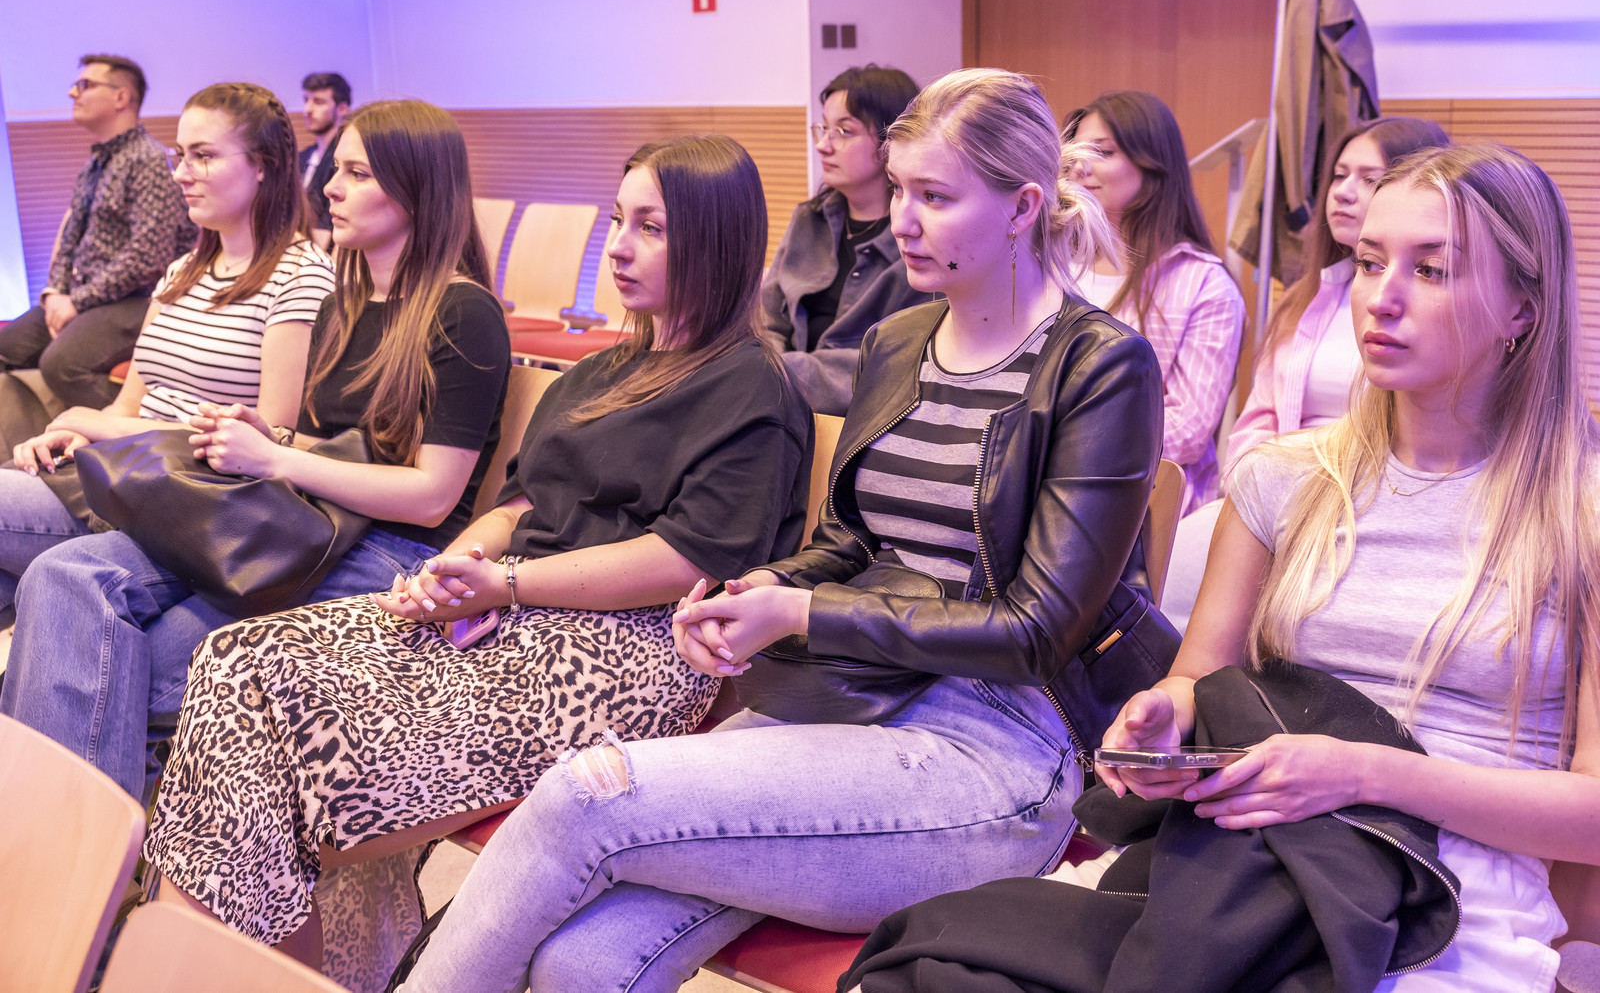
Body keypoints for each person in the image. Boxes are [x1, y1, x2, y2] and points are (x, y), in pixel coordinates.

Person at [396, 67, 1168, 993]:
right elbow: (852, 541)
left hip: (995, 749)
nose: (905, 221)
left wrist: (801, 614)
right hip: (847, 699)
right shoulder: (900, 341)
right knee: (582, 960)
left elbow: (1037, 631)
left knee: (583, 796)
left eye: (935, 197)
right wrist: (760, 589)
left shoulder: (1100, 366)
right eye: (901, 191)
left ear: (1022, 208)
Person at [847, 143, 1600, 993]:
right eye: (1368, 262)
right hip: (1246, 855)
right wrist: (1163, 721)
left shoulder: (1578, 513)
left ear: (1523, 309)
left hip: (1453, 889)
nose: (1382, 298)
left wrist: (1362, 772)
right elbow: (1199, 680)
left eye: (1432, 270)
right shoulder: (1286, 477)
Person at [140, 134, 813, 986]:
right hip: (514, 618)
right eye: (618, 220)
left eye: (652, 228)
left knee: (275, 726)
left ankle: (217, 969)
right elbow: (521, 504)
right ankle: (254, 970)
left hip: (624, 656)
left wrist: (508, 583)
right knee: (234, 657)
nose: (618, 246)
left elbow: (688, 559)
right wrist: (451, 571)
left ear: (715, 242)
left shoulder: (752, 387)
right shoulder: (602, 370)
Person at [0, 99, 511, 809]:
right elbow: (332, 442)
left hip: (386, 548)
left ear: (417, 190)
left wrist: (277, 458)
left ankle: (77, 847)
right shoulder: (347, 300)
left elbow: (431, 496)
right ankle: (56, 835)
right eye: (337, 169)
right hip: (303, 519)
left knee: (125, 661)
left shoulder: (464, 313)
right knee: (63, 576)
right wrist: (265, 438)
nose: (330, 187)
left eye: (357, 173)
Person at [0, 82, 333, 618]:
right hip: (127, 469)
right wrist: (82, 431)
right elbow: (128, 405)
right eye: (181, 155)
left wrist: (97, 424)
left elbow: (267, 442)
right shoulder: (183, 271)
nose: (181, 173)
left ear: (263, 165)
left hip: (190, 494)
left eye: (204, 156)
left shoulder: (300, 276)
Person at [1160, 116, 1449, 633]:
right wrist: (1260, 499)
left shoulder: (1422, 319)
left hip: (1363, 505)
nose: (1344, 192)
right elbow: (1256, 423)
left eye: (1369, 178)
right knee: (1174, 585)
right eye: (1338, 175)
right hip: (1280, 495)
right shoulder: (1302, 299)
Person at [1064, 91, 1246, 515]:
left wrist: (1067, 442)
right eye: (1075, 152)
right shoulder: (1050, 264)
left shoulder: (1203, 283)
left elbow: (1187, 432)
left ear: (1153, 164)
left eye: (1102, 152)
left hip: (1145, 508)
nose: (1080, 167)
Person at [0, 54, 196, 418]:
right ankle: (38, 437)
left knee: (63, 364)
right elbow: (70, 238)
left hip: (139, 301)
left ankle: (137, 433)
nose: (73, 92)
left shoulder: (150, 160)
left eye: (85, 85)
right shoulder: (96, 163)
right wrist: (55, 293)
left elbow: (148, 259)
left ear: (121, 97)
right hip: (88, 297)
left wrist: (77, 302)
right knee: (6, 348)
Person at [760, 64, 928, 415]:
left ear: (891, 142)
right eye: (823, 128)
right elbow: (767, 319)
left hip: (863, 420)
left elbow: (892, 364)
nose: (823, 145)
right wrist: (763, 368)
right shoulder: (809, 220)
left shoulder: (915, 241)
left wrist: (775, 375)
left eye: (844, 131)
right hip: (780, 406)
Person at [299, 72, 351, 249]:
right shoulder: (302, 157)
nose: (307, 109)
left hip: (329, 250)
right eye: (306, 100)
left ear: (342, 109)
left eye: (318, 102)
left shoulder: (348, 160)